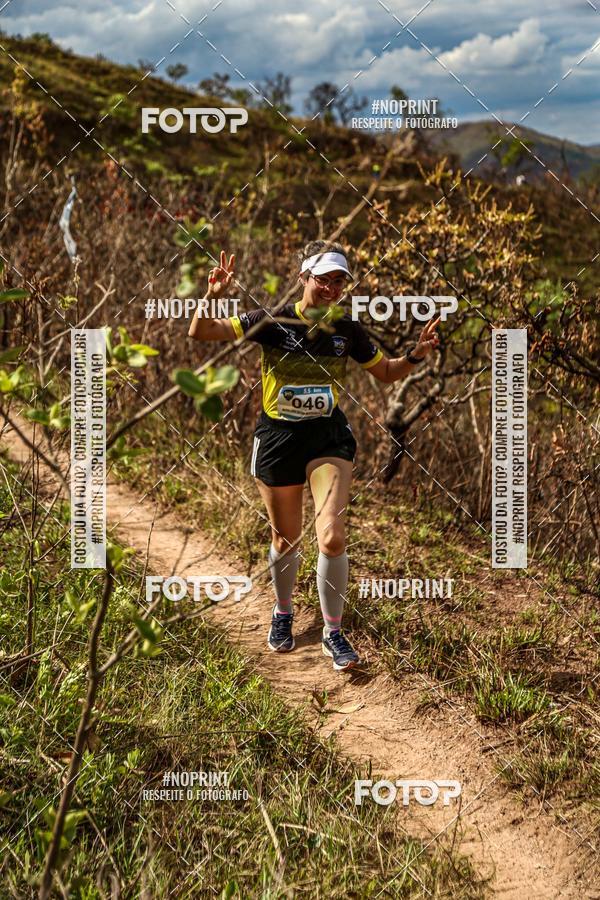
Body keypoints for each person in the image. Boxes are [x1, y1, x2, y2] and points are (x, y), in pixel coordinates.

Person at [188, 241, 440, 671]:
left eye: (339, 281)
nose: (331, 288)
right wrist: (213, 295)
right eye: (323, 278)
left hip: (327, 440)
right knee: (286, 539)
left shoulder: (347, 329)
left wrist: (415, 355)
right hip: (278, 439)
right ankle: (283, 613)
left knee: (332, 537)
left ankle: (333, 632)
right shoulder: (272, 320)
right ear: (304, 276)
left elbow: (384, 372)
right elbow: (201, 332)